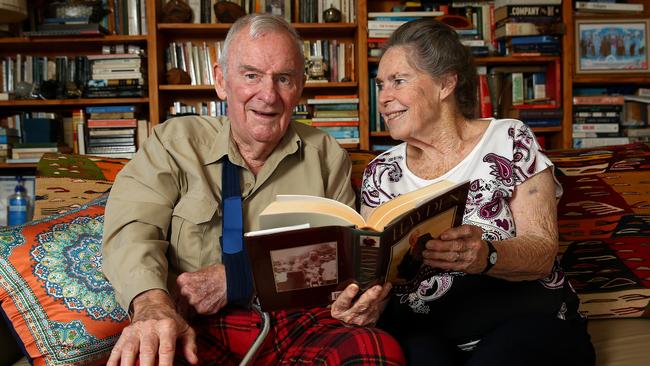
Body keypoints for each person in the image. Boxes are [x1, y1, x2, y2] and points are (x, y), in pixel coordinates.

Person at [102, 13, 403, 366]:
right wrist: (152, 305)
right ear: (220, 81)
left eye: (284, 79)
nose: (268, 95)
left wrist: (241, 277)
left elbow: (340, 258)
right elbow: (131, 232)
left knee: (377, 352)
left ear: (300, 87)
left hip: (297, 321)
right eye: (251, 76)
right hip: (196, 323)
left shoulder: (325, 155)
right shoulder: (172, 144)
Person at [347, 19, 596, 365]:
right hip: (428, 331)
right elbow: (380, 274)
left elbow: (542, 251)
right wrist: (365, 302)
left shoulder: (508, 139)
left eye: (398, 82)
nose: (384, 97)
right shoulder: (381, 174)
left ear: (445, 83)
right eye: (380, 85)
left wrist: (487, 255)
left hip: (524, 323)